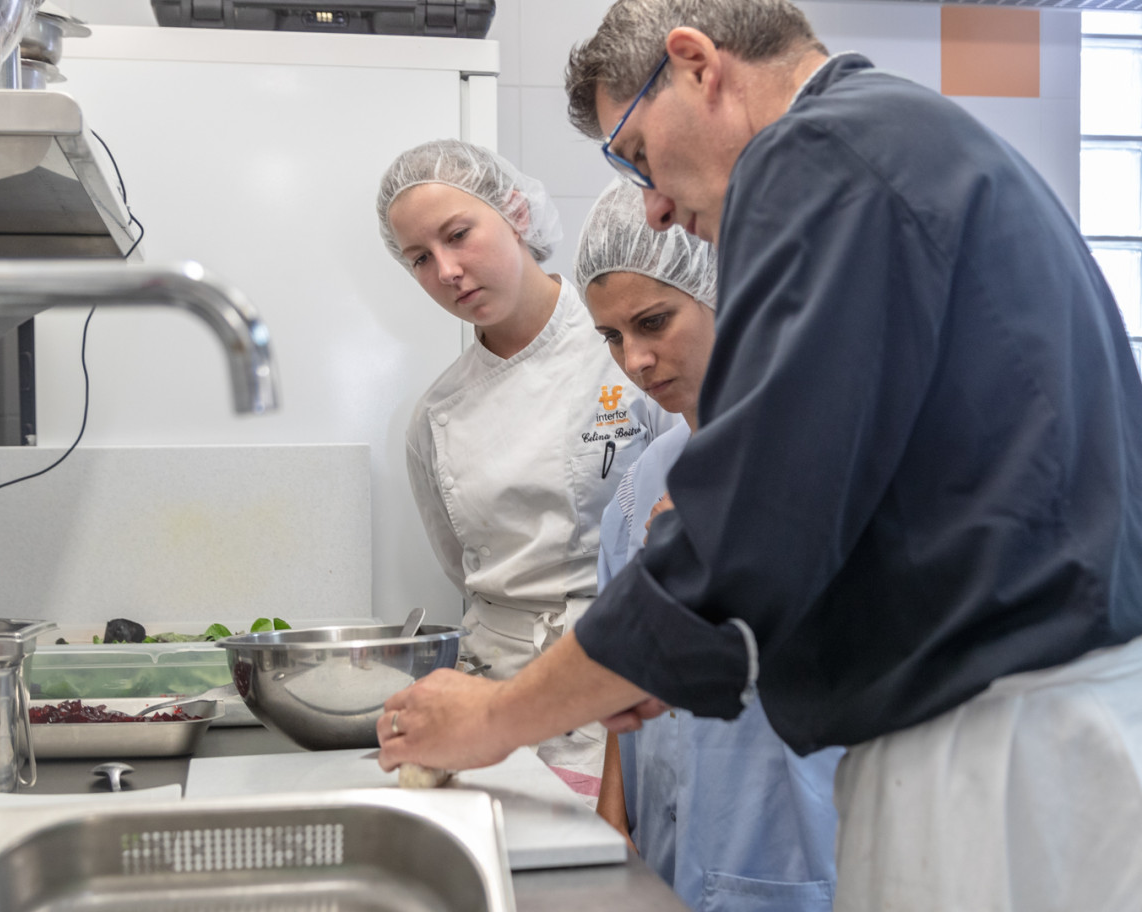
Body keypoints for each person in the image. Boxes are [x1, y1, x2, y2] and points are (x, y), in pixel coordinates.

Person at [377, 2, 1142, 909]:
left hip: (991, 746)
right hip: (1050, 729)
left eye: (637, 154)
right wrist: (652, 666)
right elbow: (845, 506)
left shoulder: (815, 155)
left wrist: (498, 716)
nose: (653, 200)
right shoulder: (901, 137)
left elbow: (751, 531)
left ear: (697, 65)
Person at [375, 139, 677, 799]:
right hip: (493, 697)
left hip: (625, 685)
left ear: (515, 212)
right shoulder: (435, 416)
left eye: (458, 235)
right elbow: (462, 566)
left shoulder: (636, 353)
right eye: (420, 258)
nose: (447, 270)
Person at [578, 177, 840, 911]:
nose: (634, 361)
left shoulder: (814, 458)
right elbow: (617, 671)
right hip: (668, 847)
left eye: (654, 322)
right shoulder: (640, 486)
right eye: (612, 337)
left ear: (733, 293)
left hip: (788, 849)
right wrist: (612, 818)